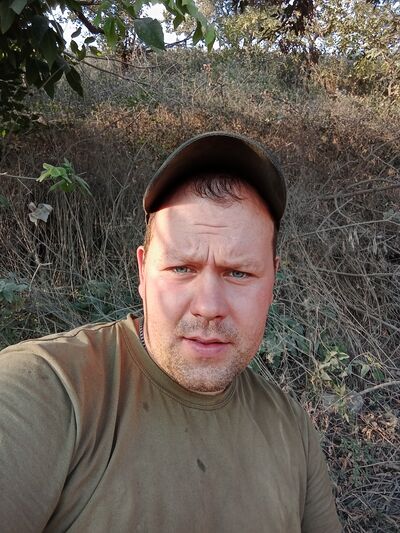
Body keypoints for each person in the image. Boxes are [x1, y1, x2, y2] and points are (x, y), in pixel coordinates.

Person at [0, 132, 341, 532]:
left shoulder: (291, 429)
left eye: (239, 273)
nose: (209, 306)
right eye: (181, 268)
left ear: (273, 281)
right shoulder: (46, 388)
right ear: (143, 272)